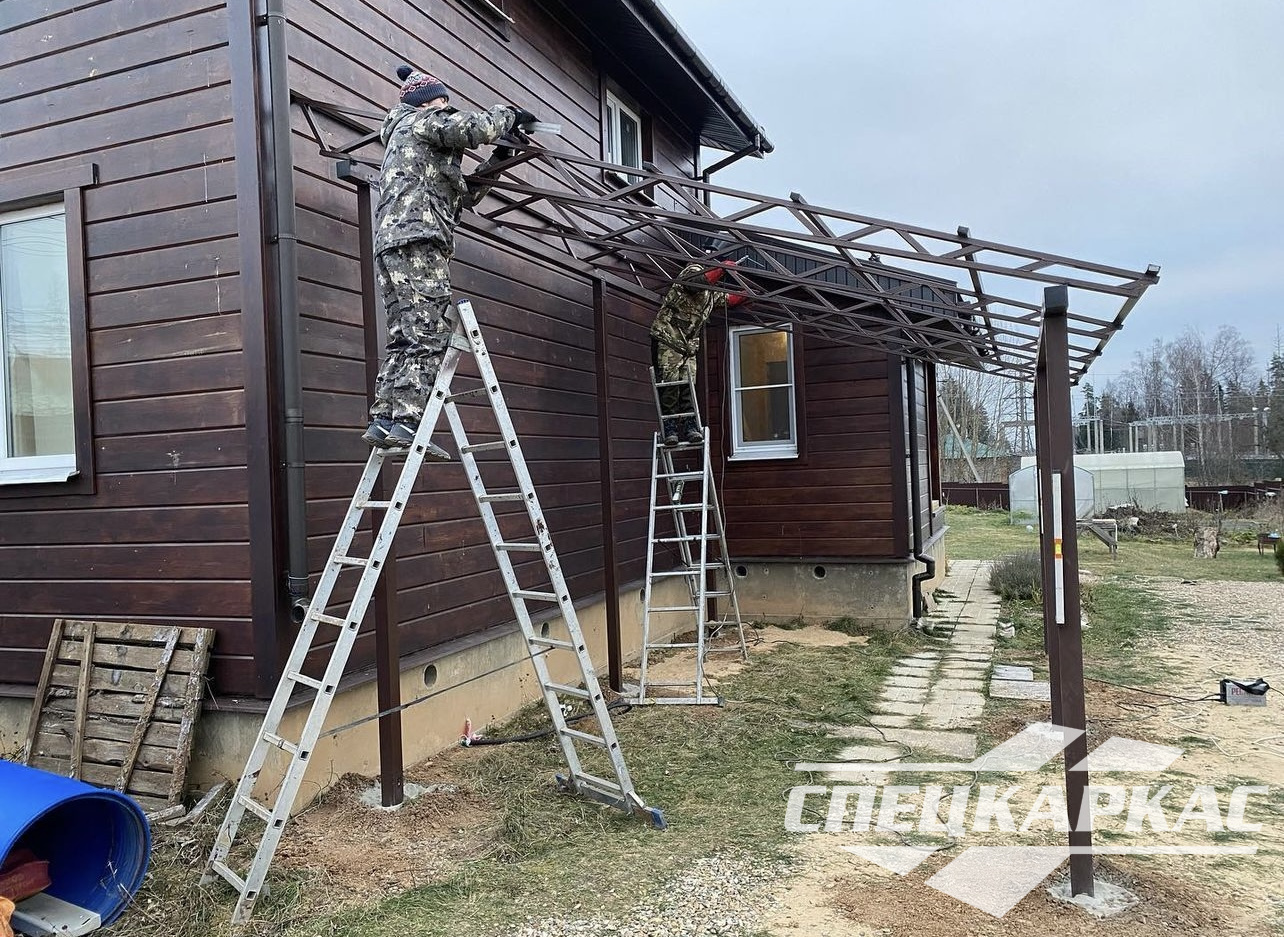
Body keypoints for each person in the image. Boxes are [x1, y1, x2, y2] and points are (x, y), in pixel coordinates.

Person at [362, 65, 536, 450]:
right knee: (429, 332)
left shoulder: (410, 144)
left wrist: (502, 154)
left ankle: (385, 419)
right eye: (444, 103)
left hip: (393, 243)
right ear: (431, 102)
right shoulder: (422, 121)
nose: (446, 109)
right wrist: (509, 114)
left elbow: (464, 195)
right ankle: (408, 422)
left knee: (404, 334)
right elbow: (475, 129)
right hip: (420, 240)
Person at [650, 261, 746, 446]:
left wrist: (747, 294)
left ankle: (690, 426)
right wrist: (722, 268)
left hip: (687, 348)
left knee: (689, 387)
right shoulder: (693, 270)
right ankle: (670, 428)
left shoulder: (710, 294)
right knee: (670, 385)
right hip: (668, 339)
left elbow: (727, 299)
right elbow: (696, 283)